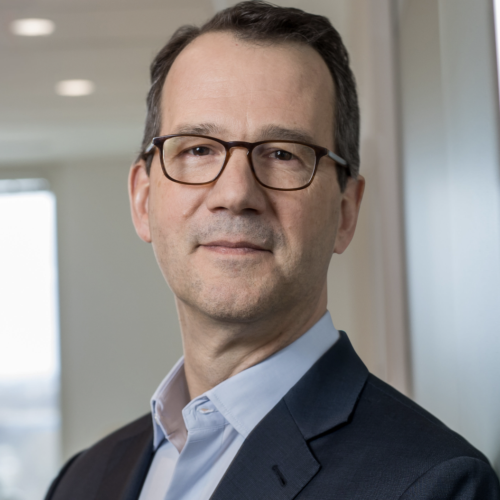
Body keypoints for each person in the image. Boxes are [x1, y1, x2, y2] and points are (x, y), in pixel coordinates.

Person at [45, 2, 500, 499]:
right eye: (198, 149)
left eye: (283, 154)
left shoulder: (435, 484)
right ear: (143, 199)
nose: (235, 193)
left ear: (346, 211)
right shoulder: (81, 480)